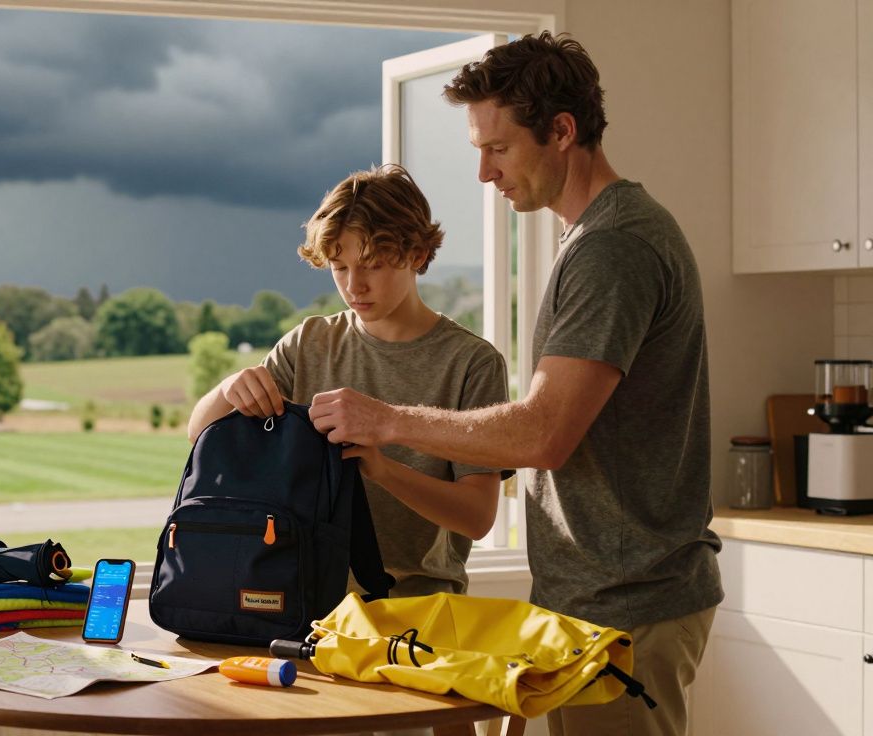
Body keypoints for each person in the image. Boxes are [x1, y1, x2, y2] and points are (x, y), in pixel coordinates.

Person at [305, 32, 721, 736]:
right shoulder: (589, 239)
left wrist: (386, 421)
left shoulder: (613, 248)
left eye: (497, 149)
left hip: (630, 605)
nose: (484, 175)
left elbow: (543, 433)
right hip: (597, 595)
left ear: (561, 132)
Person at [187, 163, 509, 598]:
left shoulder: (472, 363)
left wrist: (383, 470)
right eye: (339, 267)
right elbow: (199, 434)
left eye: (372, 265)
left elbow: (477, 516)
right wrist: (228, 390)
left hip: (418, 611)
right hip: (304, 605)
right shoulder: (308, 343)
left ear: (416, 254)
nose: (355, 286)